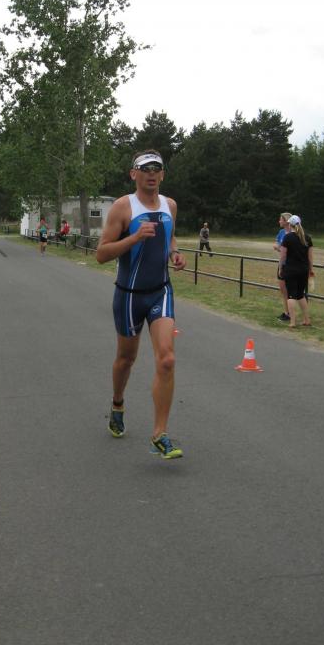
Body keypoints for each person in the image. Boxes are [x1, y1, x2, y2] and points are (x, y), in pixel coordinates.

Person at [96, 150, 186, 460]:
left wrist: (175, 253)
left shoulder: (170, 205)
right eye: (145, 168)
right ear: (133, 174)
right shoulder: (123, 207)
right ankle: (117, 403)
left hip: (161, 292)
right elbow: (101, 254)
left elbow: (170, 238)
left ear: (162, 174)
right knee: (126, 359)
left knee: (167, 359)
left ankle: (159, 434)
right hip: (129, 295)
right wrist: (134, 238)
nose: (151, 173)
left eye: (156, 168)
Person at [278, 214, 313, 328]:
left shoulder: (288, 237)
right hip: (304, 270)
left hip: (291, 269)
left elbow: (283, 256)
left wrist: (280, 268)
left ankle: (292, 322)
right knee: (301, 295)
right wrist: (311, 270)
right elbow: (310, 257)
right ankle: (306, 319)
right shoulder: (307, 237)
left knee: (291, 296)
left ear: (290, 224)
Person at [273, 212, 292, 321]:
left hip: (290, 265)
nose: (279, 221)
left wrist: (280, 249)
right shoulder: (281, 232)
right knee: (283, 290)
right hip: (282, 263)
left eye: (281, 219)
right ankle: (287, 312)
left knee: (291, 291)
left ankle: (290, 313)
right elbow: (276, 244)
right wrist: (279, 248)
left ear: (286, 221)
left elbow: (290, 251)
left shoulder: (294, 233)